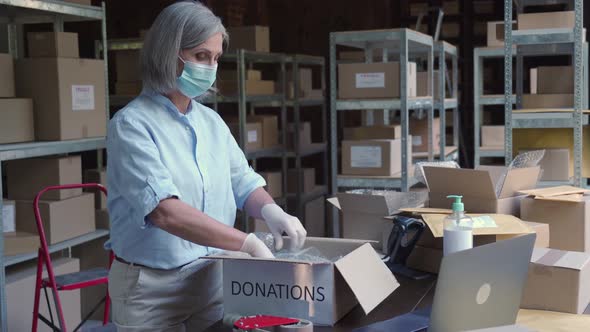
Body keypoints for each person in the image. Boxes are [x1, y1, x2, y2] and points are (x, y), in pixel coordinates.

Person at [105, 1, 307, 331]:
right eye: (201, 56)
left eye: (215, 58)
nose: (210, 67)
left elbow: (241, 181)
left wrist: (272, 211)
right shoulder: (131, 125)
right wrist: (246, 242)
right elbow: (164, 212)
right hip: (153, 291)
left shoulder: (210, 122)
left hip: (210, 278)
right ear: (168, 52)